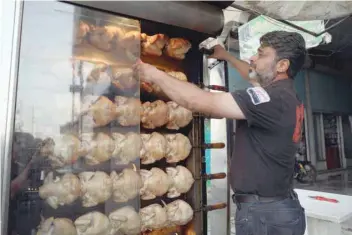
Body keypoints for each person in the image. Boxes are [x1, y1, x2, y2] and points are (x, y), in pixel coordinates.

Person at [134, 30, 306, 235]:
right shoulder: (287, 96)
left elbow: (197, 102)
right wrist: (226, 56)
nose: (252, 58)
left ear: (282, 65)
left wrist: (154, 74)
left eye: (261, 54)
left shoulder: (270, 99)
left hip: (264, 217)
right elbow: (253, 75)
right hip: (277, 209)